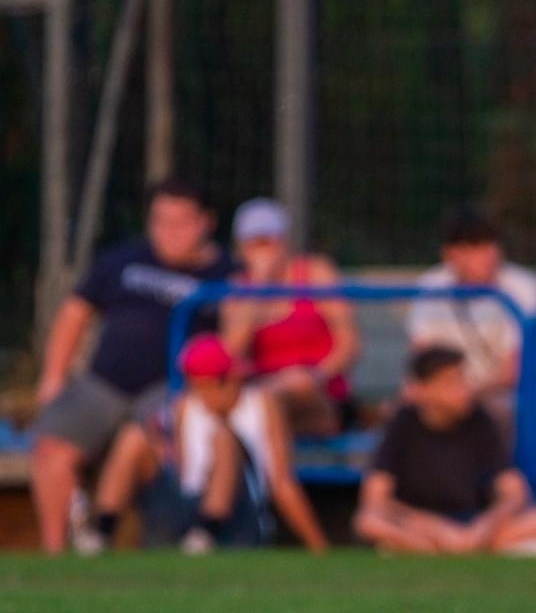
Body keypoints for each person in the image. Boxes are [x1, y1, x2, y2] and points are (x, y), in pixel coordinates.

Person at [30, 176, 235, 553]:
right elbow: (75, 315)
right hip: (104, 382)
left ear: (207, 222)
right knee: (51, 448)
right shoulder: (122, 260)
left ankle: (118, 536)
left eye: (181, 222)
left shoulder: (226, 274)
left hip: (171, 388)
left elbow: (236, 342)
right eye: (160, 221)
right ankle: (56, 554)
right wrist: (54, 376)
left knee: (146, 442)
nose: (169, 232)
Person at [82, 334, 328, 553]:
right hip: (187, 506)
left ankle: (207, 532)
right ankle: (101, 531)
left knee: (223, 438)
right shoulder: (183, 407)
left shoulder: (261, 404)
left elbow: (281, 482)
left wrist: (318, 546)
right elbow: (181, 470)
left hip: (240, 516)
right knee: (132, 437)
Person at [353, 346, 536, 555]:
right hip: (421, 526)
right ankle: (452, 550)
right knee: (369, 522)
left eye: (463, 379)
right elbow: (376, 498)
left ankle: (450, 551)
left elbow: (514, 493)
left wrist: (484, 526)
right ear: (423, 390)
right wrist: (437, 528)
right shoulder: (402, 423)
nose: (464, 388)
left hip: (471, 524)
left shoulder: (480, 420)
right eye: (451, 382)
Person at [219, 199, 360, 438]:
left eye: (270, 241)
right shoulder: (237, 289)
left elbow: (350, 344)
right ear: (241, 248)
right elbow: (231, 353)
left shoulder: (316, 273)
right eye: (254, 243)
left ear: (285, 242)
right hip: (261, 396)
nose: (264, 251)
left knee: (263, 404)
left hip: (320, 393)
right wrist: (260, 287)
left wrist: (314, 376)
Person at [406, 207, 536, 434]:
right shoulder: (431, 286)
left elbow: (515, 371)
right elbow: (423, 360)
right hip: (453, 393)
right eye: (474, 247)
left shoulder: (524, 288)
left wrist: (462, 395)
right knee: (402, 414)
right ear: (450, 253)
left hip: (520, 393)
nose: (489, 255)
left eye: (491, 244)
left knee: (497, 414)